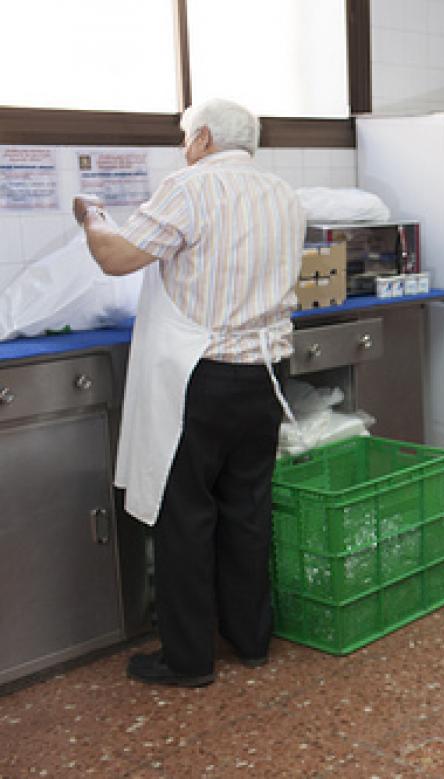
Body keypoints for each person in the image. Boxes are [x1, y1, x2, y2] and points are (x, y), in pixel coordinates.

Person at [73, 98, 305, 687]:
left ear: (201, 138)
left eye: (184, 136)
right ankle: (251, 640)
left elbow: (117, 259)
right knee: (247, 511)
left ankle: (188, 660)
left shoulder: (190, 186)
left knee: (185, 517)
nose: (183, 146)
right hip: (265, 376)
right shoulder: (283, 192)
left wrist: (93, 217)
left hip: (198, 380)